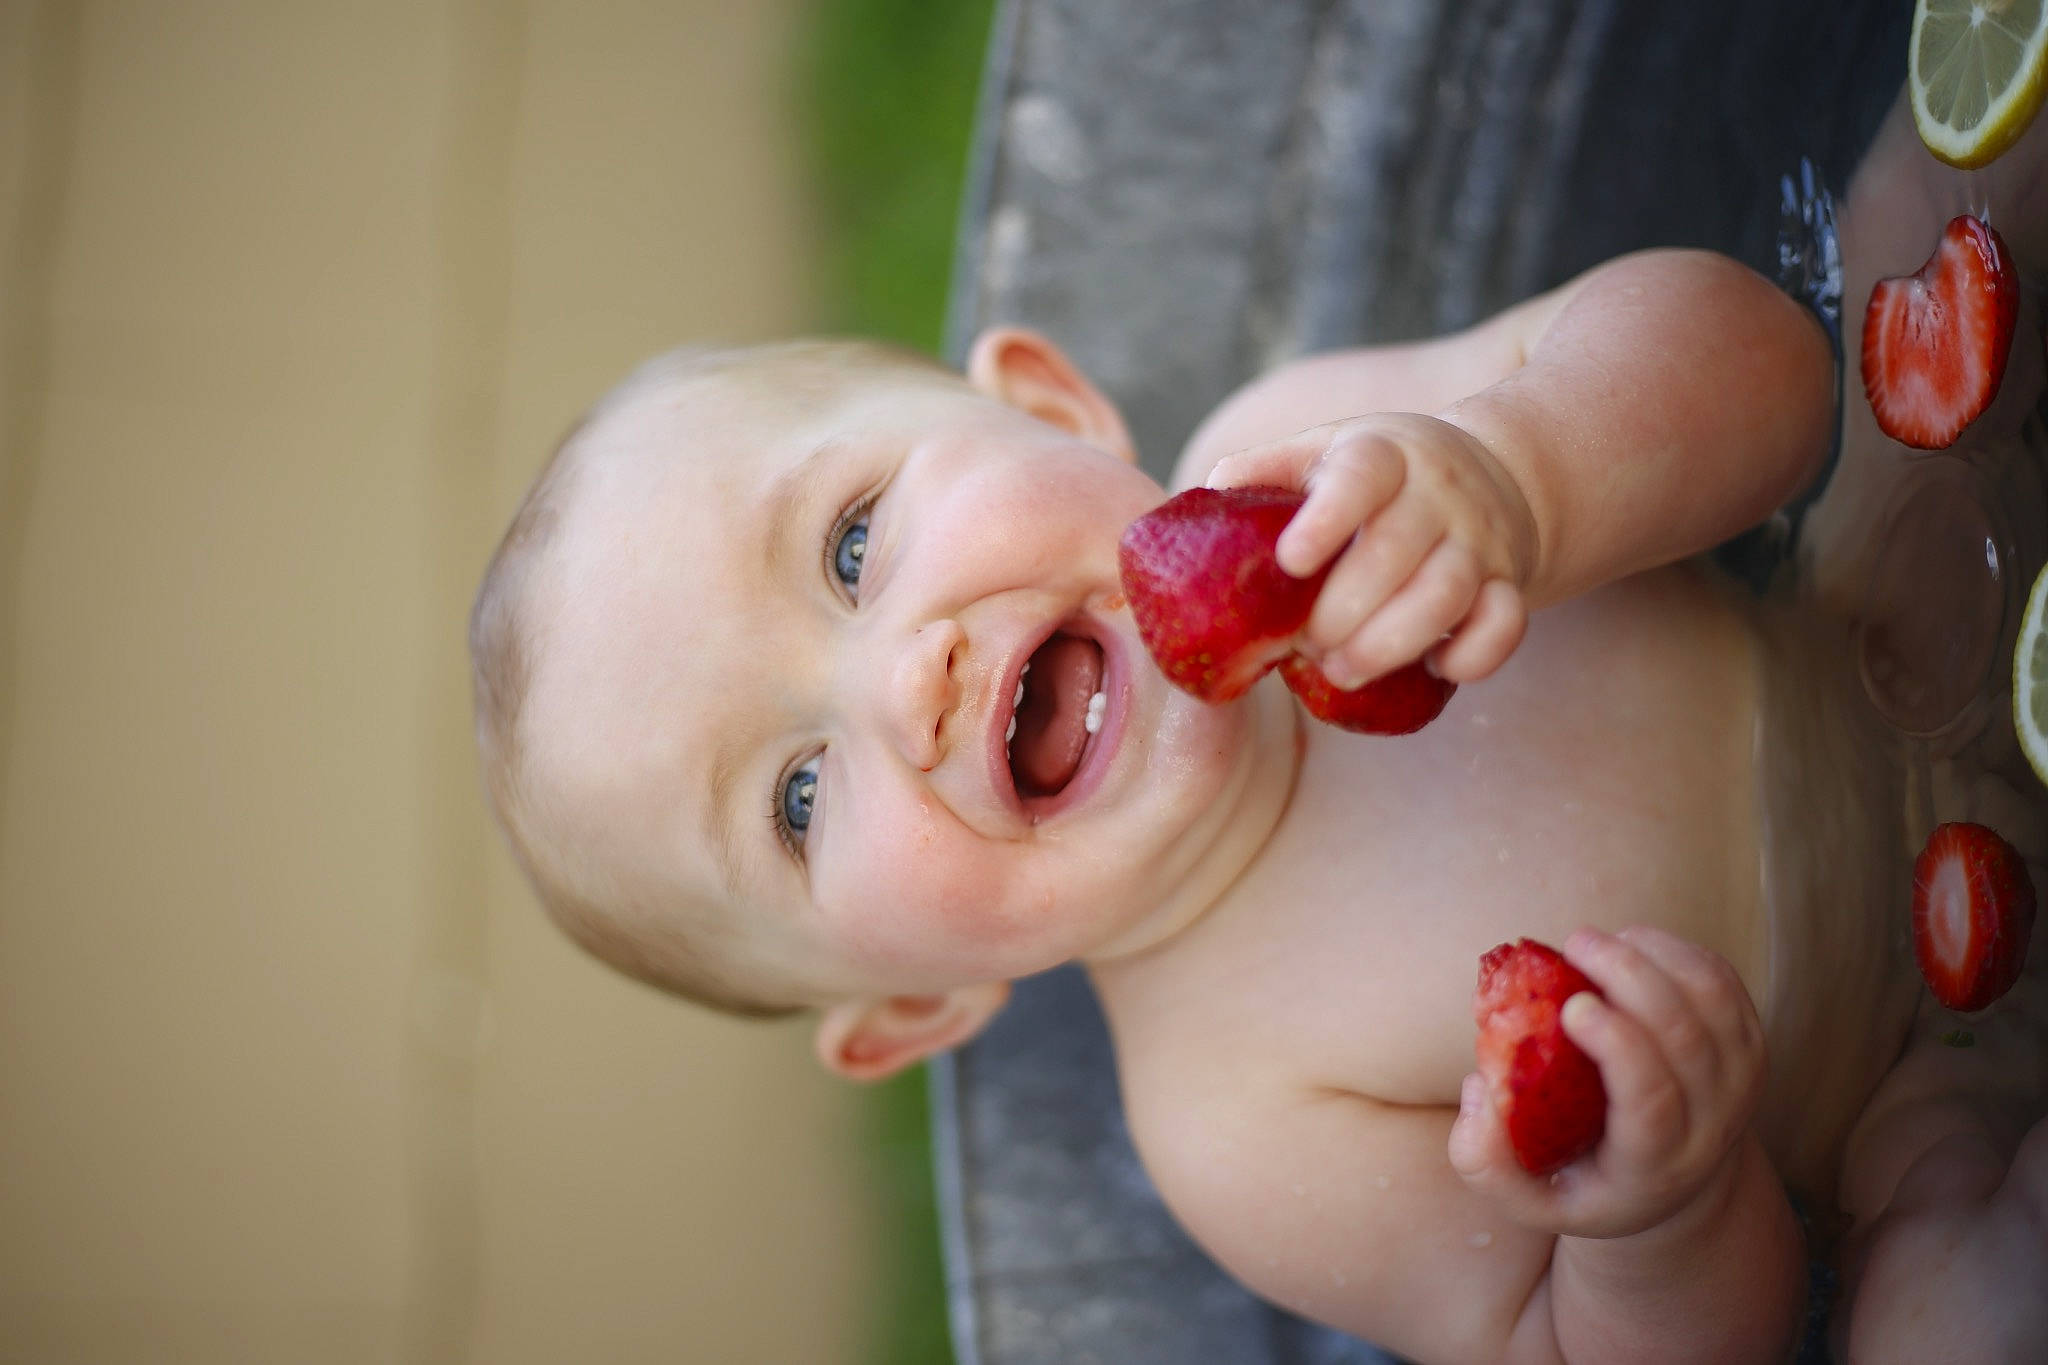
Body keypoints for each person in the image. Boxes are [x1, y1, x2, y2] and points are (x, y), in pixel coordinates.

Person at [468, 166, 2048, 1360]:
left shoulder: (1319, 449)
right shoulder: (1241, 1126)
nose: (907, 680)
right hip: (1913, 1103)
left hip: (1889, 606)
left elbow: (1773, 375)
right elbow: (1583, 1346)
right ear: (913, 1008)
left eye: (853, 541)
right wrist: (1662, 1214)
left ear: (1046, 406)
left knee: (1929, 201)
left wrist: (1527, 469)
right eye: (800, 797)